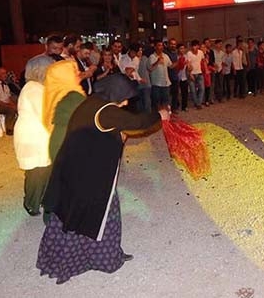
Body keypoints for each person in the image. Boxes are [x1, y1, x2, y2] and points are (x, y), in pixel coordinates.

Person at [37, 67, 169, 284]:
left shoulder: (91, 103)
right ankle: (95, 260)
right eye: (124, 98)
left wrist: (120, 137)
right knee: (97, 216)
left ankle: (100, 258)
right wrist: (159, 115)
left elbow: (101, 134)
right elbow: (137, 122)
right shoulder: (105, 111)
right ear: (115, 93)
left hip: (74, 172)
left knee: (73, 218)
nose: (126, 103)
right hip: (88, 178)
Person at [13, 55, 54, 216]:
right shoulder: (34, 88)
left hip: (39, 136)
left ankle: (40, 199)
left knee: (44, 171)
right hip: (34, 138)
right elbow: (47, 116)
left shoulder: (38, 87)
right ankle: (31, 203)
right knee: (37, 173)